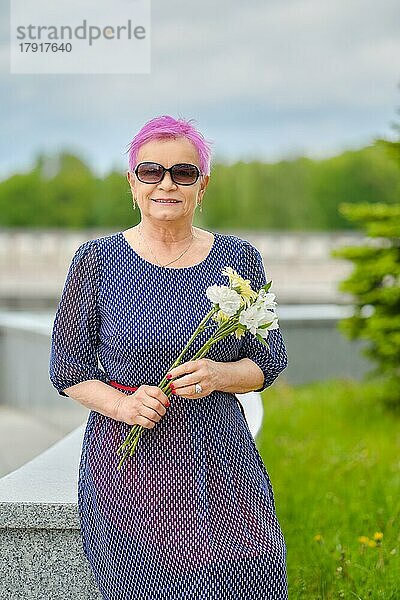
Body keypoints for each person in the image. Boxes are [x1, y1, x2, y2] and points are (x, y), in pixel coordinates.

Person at [49, 114, 289, 599]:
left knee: (249, 578)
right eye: (150, 172)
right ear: (132, 184)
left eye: (182, 173)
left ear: (202, 186)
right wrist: (122, 406)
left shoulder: (240, 259)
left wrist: (220, 374)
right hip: (129, 470)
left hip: (221, 461)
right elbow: (67, 369)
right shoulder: (97, 259)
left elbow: (269, 362)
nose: (166, 184)